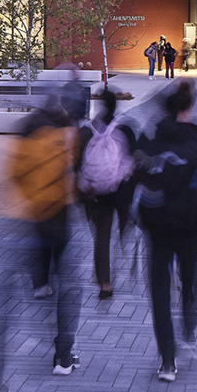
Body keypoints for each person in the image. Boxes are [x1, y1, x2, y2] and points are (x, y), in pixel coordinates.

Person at [0, 100, 81, 392]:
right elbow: (77, 181)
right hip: (57, 226)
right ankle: (63, 356)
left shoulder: (19, 140)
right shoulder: (64, 140)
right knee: (70, 290)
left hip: (18, 227)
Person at [133, 79, 197, 382]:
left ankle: (167, 361)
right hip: (190, 228)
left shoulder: (149, 138)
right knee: (191, 276)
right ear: (191, 105)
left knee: (159, 290)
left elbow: (134, 177)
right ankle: (189, 328)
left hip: (157, 228)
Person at [77, 87, 137, 300]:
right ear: (115, 105)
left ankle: (105, 284)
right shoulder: (126, 129)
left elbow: (76, 164)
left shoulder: (87, 130)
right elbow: (136, 162)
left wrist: (82, 192)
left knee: (101, 237)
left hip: (95, 194)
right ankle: (122, 249)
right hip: (119, 193)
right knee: (123, 229)